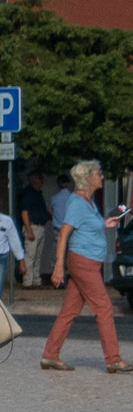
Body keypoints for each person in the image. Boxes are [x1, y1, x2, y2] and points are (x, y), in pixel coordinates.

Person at [41, 159, 126, 374]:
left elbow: (89, 226)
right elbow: (63, 234)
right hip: (83, 262)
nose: (102, 176)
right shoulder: (77, 202)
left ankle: (50, 355)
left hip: (88, 261)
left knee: (70, 310)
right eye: (99, 173)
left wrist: (106, 223)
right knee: (104, 308)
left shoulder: (89, 201)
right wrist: (59, 266)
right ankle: (113, 359)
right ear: (88, 178)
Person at [18, 169, 51, 283]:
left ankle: (36, 280)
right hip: (33, 226)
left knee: (37, 256)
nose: (42, 181)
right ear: (34, 180)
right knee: (30, 256)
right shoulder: (29, 193)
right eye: (40, 178)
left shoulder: (38, 193)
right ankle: (28, 280)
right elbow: (24, 212)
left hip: (40, 226)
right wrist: (29, 230)